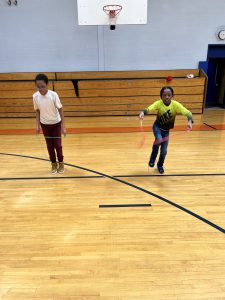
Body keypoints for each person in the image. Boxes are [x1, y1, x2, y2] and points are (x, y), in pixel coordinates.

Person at [139, 86, 193, 174]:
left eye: (169, 95)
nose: (166, 97)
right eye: (164, 95)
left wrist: (190, 121)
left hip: (166, 131)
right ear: (161, 96)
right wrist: (143, 112)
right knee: (159, 140)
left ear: (172, 96)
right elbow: (150, 108)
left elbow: (188, 113)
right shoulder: (159, 103)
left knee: (164, 150)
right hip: (157, 127)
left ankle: (160, 165)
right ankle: (152, 159)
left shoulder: (175, 105)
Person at [33, 73, 66, 174]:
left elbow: (60, 109)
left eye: (42, 86)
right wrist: (37, 126)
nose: (40, 89)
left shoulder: (53, 95)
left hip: (56, 124)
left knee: (58, 145)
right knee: (49, 146)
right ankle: (53, 164)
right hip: (45, 125)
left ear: (47, 85)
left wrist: (63, 126)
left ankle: (61, 163)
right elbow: (37, 111)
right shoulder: (35, 96)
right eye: (38, 87)